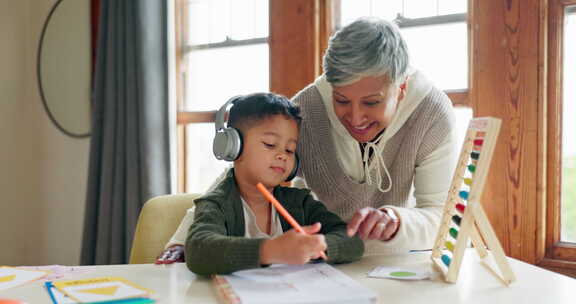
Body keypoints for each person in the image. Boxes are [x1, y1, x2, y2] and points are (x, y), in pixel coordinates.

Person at [157, 16, 457, 263]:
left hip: (397, 262)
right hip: (320, 265)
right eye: (341, 100)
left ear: (401, 88)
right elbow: (242, 174)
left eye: (371, 102)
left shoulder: (432, 114)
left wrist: (397, 221)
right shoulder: (308, 108)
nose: (355, 117)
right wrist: (181, 240)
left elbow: (442, 217)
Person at [183, 93, 364, 275]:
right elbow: (198, 251)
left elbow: (353, 240)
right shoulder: (217, 204)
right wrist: (271, 250)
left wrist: (320, 246)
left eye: (290, 149)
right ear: (233, 147)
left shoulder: (301, 202)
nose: (283, 155)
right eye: (270, 144)